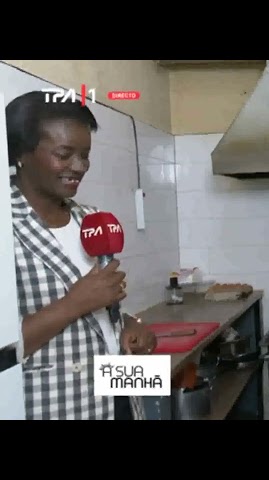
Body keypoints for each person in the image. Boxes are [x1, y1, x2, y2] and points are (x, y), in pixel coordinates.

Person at [6, 90, 157, 420]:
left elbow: (104, 313)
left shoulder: (91, 218)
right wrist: (74, 303)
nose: (79, 166)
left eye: (85, 155)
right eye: (64, 154)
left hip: (119, 396)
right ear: (20, 152)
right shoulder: (5, 227)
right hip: (54, 406)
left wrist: (134, 328)